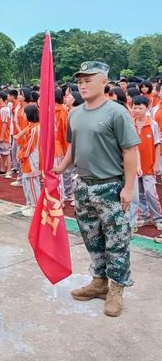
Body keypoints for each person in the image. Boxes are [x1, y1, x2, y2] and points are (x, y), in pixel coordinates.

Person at [54, 61, 139, 317]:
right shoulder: (75, 113)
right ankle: (99, 281)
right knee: (92, 238)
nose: (82, 85)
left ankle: (116, 288)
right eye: (80, 80)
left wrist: (128, 188)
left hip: (110, 187)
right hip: (84, 186)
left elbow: (130, 151)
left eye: (88, 80)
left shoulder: (117, 112)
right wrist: (62, 167)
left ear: (104, 82)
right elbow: (73, 146)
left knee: (117, 240)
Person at [132, 96, 162, 237]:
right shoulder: (130, 124)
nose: (137, 110)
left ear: (147, 108)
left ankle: (157, 217)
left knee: (150, 191)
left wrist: (156, 163)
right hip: (134, 165)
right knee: (138, 193)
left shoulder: (153, 125)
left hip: (149, 164)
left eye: (140, 107)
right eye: (134, 107)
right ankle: (144, 215)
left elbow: (157, 144)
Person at [15, 104, 41, 216]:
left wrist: (20, 155)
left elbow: (29, 147)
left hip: (32, 160)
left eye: (24, 113)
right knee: (27, 183)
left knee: (32, 184)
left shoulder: (35, 129)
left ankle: (36, 207)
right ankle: (30, 203)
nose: (23, 115)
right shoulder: (32, 126)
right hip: (28, 160)